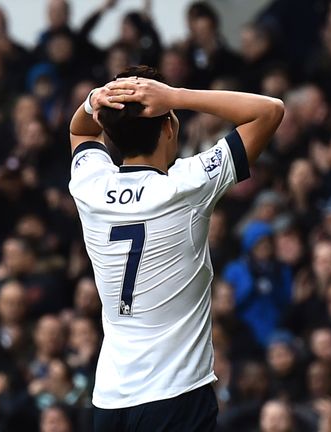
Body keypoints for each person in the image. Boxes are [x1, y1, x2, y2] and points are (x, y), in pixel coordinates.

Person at [68, 65, 283, 430]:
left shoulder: (89, 185)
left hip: (109, 399)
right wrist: (178, 96)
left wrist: (94, 100)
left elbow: (80, 128)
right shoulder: (186, 186)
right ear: (169, 124)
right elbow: (270, 110)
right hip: (175, 395)